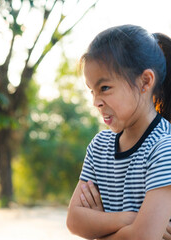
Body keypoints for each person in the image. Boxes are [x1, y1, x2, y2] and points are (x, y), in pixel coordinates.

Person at [66, 24, 171, 240]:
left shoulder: (165, 146)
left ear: (145, 81)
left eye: (104, 88)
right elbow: (75, 220)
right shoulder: (99, 146)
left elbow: (142, 237)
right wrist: (129, 220)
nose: (96, 102)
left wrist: (99, 228)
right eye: (92, 91)